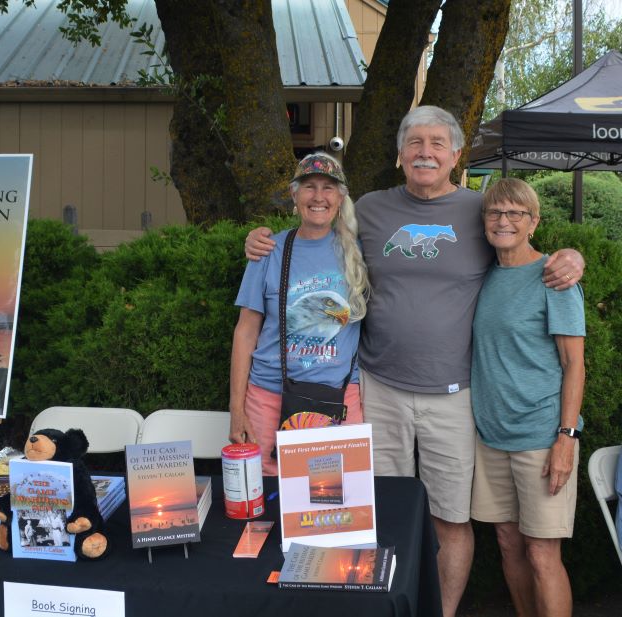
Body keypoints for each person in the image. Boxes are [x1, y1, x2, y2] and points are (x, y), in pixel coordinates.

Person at [244, 106, 585, 617]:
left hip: (455, 397)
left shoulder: (479, 211)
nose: (426, 152)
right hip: (377, 389)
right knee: (380, 509)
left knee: (452, 518)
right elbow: (316, 229)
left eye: (437, 144)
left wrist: (570, 257)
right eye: (415, 143)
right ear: (400, 155)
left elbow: (522, 244)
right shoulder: (373, 210)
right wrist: (260, 240)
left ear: (453, 155)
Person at [470, 178, 585, 617]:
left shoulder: (554, 278)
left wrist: (565, 438)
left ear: (533, 222)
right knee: (507, 544)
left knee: (541, 553)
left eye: (515, 213)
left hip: (541, 436)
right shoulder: (484, 274)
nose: (504, 221)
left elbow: (574, 364)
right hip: (491, 436)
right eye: (495, 212)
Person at [229, 152, 369, 475]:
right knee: (269, 501)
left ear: (341, 197)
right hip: (268, 399)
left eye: (328, 188)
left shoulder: (360, 252)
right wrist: (236, 409)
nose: (318, 197)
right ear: (294, 195)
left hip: (339, 401)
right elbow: (245, 332)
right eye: (309, 187)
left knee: (337, 506)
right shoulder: (268, 251)